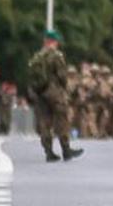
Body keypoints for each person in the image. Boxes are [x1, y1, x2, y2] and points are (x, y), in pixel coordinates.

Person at [25, 30, 83, 162]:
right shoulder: (56, 56)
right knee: (62, 120)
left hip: (40, 92)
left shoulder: (36, 57)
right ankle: (66, 150)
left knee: (45, 122)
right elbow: (62, 76)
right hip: (55, 92)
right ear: (54, 42)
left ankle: (49, 152)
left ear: (45, 41)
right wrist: (64, 87)